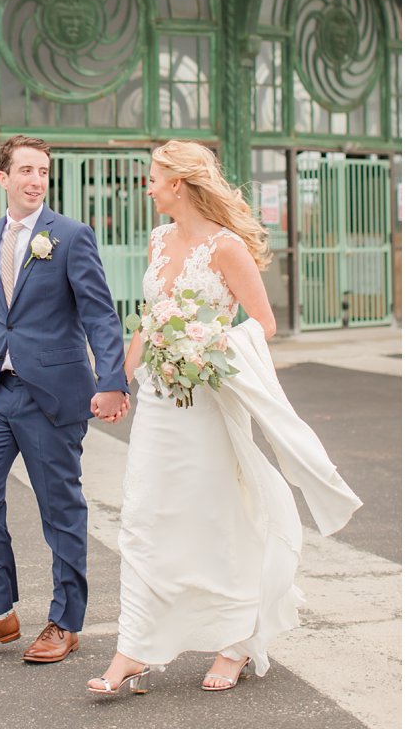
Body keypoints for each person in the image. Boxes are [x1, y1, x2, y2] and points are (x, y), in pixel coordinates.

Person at [88, 140, 360, 697]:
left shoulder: (226, 248)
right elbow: (148, 320)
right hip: (160, 406)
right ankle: (132, 650)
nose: (148, 185)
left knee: (216, 520)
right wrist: (115, 381)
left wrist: (206, 341)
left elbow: (264, 323)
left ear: (179, 185)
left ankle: (235, 642)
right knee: (143, 520)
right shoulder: (158, 240)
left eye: (154, 177)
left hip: (208, 403)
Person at [0, 135, 129, 665]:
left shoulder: (69, 236)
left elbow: (99, 314)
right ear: (2, 178)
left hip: (52, 394)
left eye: (43, 171)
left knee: (58, 508)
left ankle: (65, 621)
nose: (35, 180)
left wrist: (111, 379)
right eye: (25, 170)